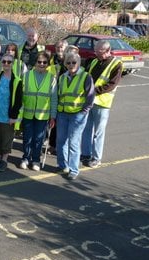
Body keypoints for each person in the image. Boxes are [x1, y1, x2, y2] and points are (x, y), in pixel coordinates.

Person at [81, 39, 123, 168]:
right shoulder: (94, 61)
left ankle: (96, 158)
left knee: (98, 132)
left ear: (107, 51)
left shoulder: (116, 64)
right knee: (87, 129)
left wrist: (94, 91)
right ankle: (86, 154)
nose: (96, 54)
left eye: (99, 52)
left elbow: (112, 84)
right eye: (95, 51)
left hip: (103, 103)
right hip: (89, 101)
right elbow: (87, 78)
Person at [56, 52, 95, 180]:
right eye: (68, 62)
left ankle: (73, 169)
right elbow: (58, 95)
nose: (71, 65)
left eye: (74, 62)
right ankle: (63, 165)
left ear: (79, 63)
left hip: (77, 115)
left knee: (73, 142)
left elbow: (90, 97)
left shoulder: (85, 77)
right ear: (65, 64)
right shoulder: (62, 77)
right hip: (62, 113)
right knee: (61, 141)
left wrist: (84, 111)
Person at [19, 51, 57, 171]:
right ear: (35, 62)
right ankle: (25, 158)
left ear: (48, 63)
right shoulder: (26, 75)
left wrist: (53, 116)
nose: (42, 64)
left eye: (44, 62)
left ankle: (36, 160)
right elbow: (21, 95)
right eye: (39, 62)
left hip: (43, 115)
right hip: (28, 112)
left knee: (38, 139)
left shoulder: (52, 78)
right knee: (27, 137)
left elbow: (54, 99)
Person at [0, 53, 23, 172]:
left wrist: (13, 116)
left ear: (12, 64)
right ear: (0, 63)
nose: (6, 64)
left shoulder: (16, 81)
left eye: (9, 62)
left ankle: (4, 161)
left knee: (6, 139)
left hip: (8, 117)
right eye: (4, 61)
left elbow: (18, 101)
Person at [46, 39, 68, 155]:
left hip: (63, 95)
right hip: (51, 93)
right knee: (52, 122)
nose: (59, 49)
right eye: (58, 47)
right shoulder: (51, 60)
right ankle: (51, 145)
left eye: (62, 47)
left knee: (61, 124)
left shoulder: (68, 61)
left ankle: (59, 146)